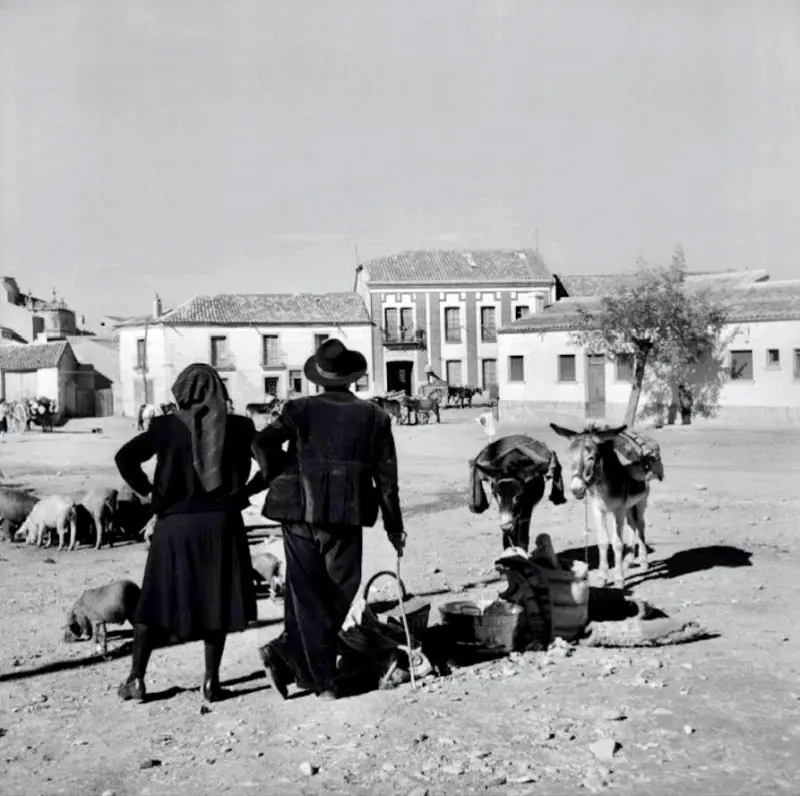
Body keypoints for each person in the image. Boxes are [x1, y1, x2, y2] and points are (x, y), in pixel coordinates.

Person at [252, 338, 405, 701]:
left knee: (306, 593)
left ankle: (287, 652)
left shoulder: (297, 409)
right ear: (351, 378)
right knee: (340, 588)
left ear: (320, 377)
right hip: (346, 512)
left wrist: (280, 473)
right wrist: (394, 525)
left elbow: (260, 444)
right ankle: (320, 679)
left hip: (298, 511)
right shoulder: (375, 416)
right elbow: (387, 479)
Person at [114, 363, 265, 703]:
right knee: (217, 598)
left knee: (154, 599)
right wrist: (245, 493)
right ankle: (211, 682)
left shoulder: (165, 427)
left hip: (174, 526)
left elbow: (124, 457)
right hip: (221, 523)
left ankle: (137, 678)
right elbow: (273, 463)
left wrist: (150, 493)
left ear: (182, 392)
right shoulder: (240, 427)